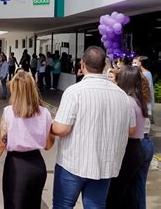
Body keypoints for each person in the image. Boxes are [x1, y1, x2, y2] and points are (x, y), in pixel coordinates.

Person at [51, 46, 134, 209]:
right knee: (96, 206)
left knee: (63, 205)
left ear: (82, 64)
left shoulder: (74, 92)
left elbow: (61, 129)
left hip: (73, 163)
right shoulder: (122, 95)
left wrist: (50, 125)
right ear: (104, 65)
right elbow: (130, 130)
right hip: (106, 165)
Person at [0, 71, 55, 209]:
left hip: (16, 166)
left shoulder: (9, 112)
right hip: (37, 166)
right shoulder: (44, 113)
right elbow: (48, 145)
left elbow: (0, 143)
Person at [106, 66, 149, 209]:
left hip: (128, 150)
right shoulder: (139, 100)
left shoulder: (127, 101)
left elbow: (129, 130)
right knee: (129, 193)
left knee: (116, 193)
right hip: (137, 148)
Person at [135, 69, 155, 209]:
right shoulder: (145, 99)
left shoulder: (132, 101)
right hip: (147, 142)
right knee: (139, 186)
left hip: (137, 144)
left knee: (127, 188)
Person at [134, 56, 155, 123]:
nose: (134, 63)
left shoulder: (146, 74)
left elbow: (149, 88)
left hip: (144, 98)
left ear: (140, 63)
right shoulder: (146, 73)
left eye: (136, 61)